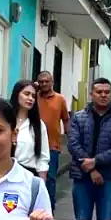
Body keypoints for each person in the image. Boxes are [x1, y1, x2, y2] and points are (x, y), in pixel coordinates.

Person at [67, 78, 111, 220]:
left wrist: (95, 161)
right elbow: (73, 144)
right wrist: (91, 170)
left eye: (107, 92)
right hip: (82, 177)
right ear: (91, 94)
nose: (103, 95)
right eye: (99, 92)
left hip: (109, 178)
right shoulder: (78, 117)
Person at [36, 71, 70, 211]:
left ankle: (49, 209)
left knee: (50, 178)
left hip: (52, 146)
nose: (44, 84)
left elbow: (66, 120)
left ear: (52, 82)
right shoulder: (33, 97)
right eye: (41, 81)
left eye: (47, 81)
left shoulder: (60, 99)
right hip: (34, 144)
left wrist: (71, 139)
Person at [10, 79, 49, 183]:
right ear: (16, 94)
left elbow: (43, 158)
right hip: (5, 174)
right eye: (26, 94)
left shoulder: (38, 125)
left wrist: (41, 183)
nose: (30, 98)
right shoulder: (5, 120)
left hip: (28, 176)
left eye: (33, 96)